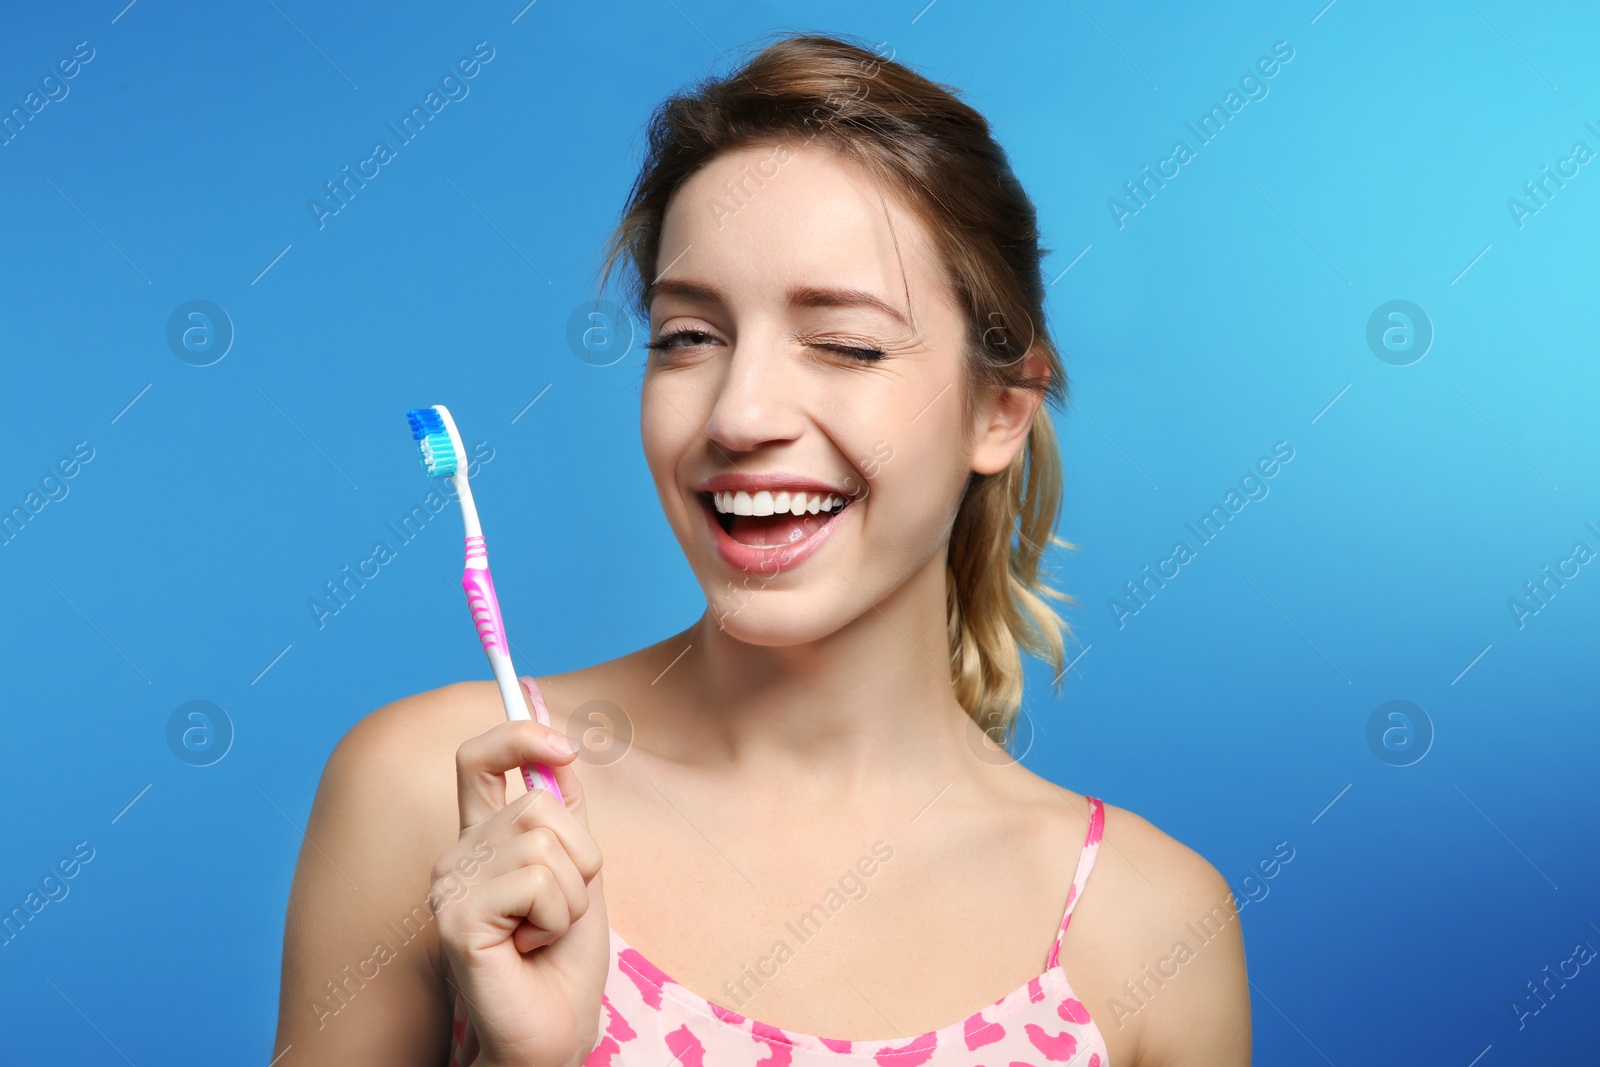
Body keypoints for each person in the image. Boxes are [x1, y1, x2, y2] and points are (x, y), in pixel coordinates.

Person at [272, 31, 1250, 1067]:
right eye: (688, 337)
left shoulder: (1149, 926)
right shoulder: (445, 798)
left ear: (999, 411)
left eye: (846, 344)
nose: (739, 414)